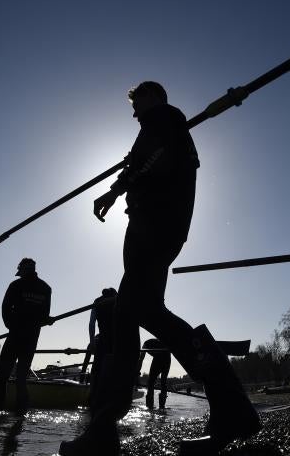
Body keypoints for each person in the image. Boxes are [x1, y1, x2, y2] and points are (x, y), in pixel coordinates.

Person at [60, 82, 260, 455]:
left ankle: (105, 428)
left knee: (128, 313)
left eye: (137, 104)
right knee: (140, 312)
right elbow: (151, 161)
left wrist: (116, 188)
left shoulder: (165, 120)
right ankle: (231, 408)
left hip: (155, 227)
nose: (134, 112)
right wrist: (128, 170)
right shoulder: (162, 128)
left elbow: (155, 160)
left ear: (153, 96)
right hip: (156, 227)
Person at [0, 258, 52, 413]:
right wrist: (47, 321)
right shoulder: (46, 288)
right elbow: (44, 315)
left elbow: (5, 307)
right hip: (31, 338)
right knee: (21, 378)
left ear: (23, 270)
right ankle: (20, 415)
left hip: (16, 336)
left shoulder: (16, 285)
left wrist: (11, 325)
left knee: (3, 376)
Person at [84, 287, 117, 411]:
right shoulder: (117, 300)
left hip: (102, 340)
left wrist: (92, 342)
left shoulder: (97, 302)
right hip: (115, 342)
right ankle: (107, 399)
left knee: (96, 369)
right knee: (110, 370)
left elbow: (91, 323)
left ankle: (92, 397)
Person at [139, 337, 171, 409]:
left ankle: (150, 406)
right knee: (163, 382)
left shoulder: (146, 344)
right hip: (167, 357)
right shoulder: (152, 343)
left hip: (161, 357)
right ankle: (162, 407)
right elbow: (141, 359)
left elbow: (141, 359)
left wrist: (137, 371)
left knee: (151, 382)